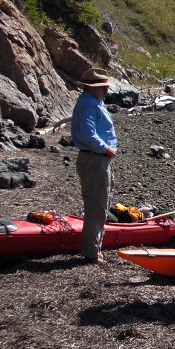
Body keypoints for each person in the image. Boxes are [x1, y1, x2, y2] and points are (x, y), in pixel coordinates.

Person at [70, 67, 118, 263]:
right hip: (95, 158)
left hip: (96, 158)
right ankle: (91, 252)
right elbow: (88, 134)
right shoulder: (89, 104)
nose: (105, 90)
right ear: (90, 88)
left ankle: (95, 248)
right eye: (102, 87)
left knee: (100, 204)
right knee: (97, 206)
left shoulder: (93, 102)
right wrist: (106, 148)